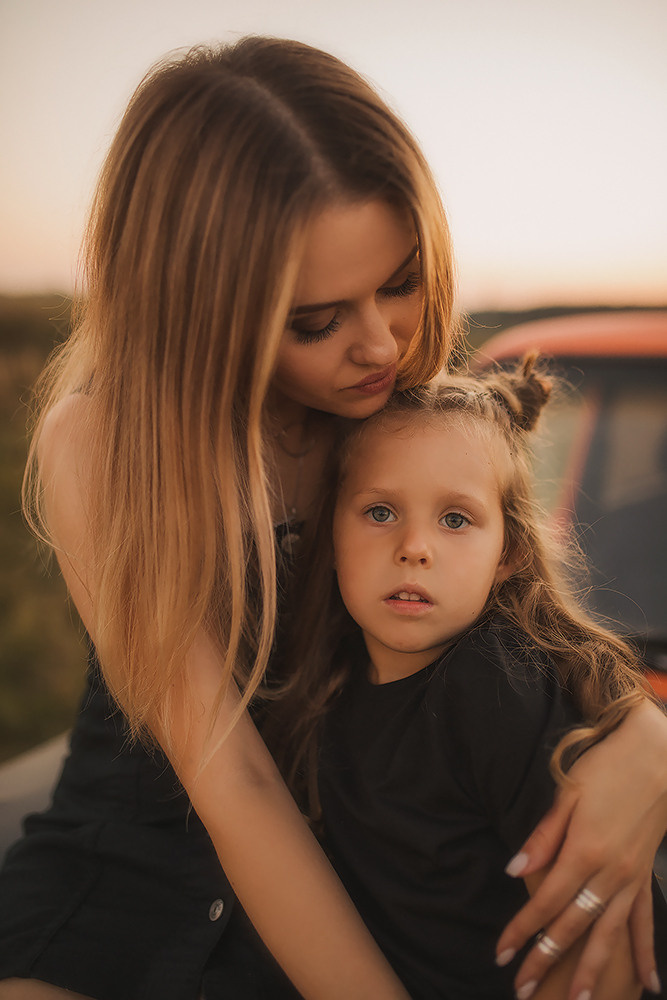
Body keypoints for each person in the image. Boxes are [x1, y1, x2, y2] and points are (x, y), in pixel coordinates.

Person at [0, 35, 665, 1000]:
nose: (380, 344)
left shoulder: (400, 420)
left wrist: (642, 737)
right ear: (206, 310)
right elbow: (233, 785)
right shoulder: (104, 440)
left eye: (399, 283)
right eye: (315, 320)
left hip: (352, 881)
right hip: (130, 871)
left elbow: (529, 615)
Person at [270, 357, 667, 999]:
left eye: (455, 520)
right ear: (330, 529)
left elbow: (604, 965)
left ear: (507, 553)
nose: (415, 546)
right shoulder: (326, 676)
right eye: (379, 512)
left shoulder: (497, 688)